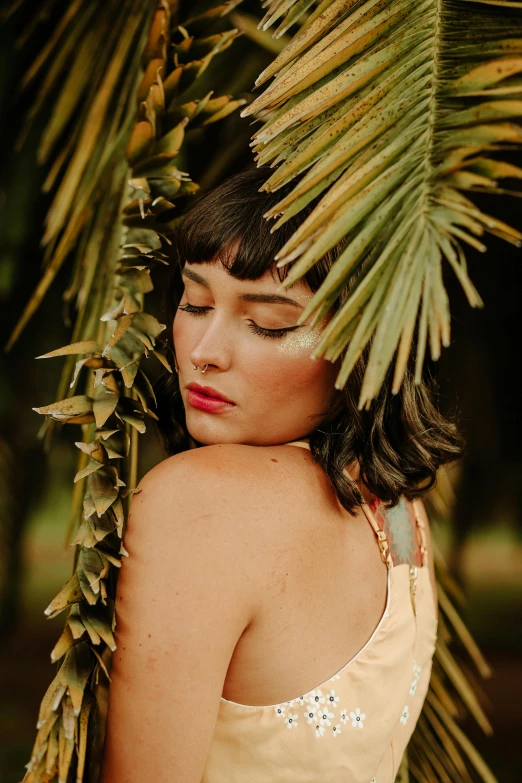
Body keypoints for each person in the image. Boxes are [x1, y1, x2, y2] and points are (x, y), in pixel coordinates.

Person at [99, 166, 464, 783]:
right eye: (194, 303)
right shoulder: (395, 510)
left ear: (363, 347)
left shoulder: (197, 501)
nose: (203, 351)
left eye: (269, 323)